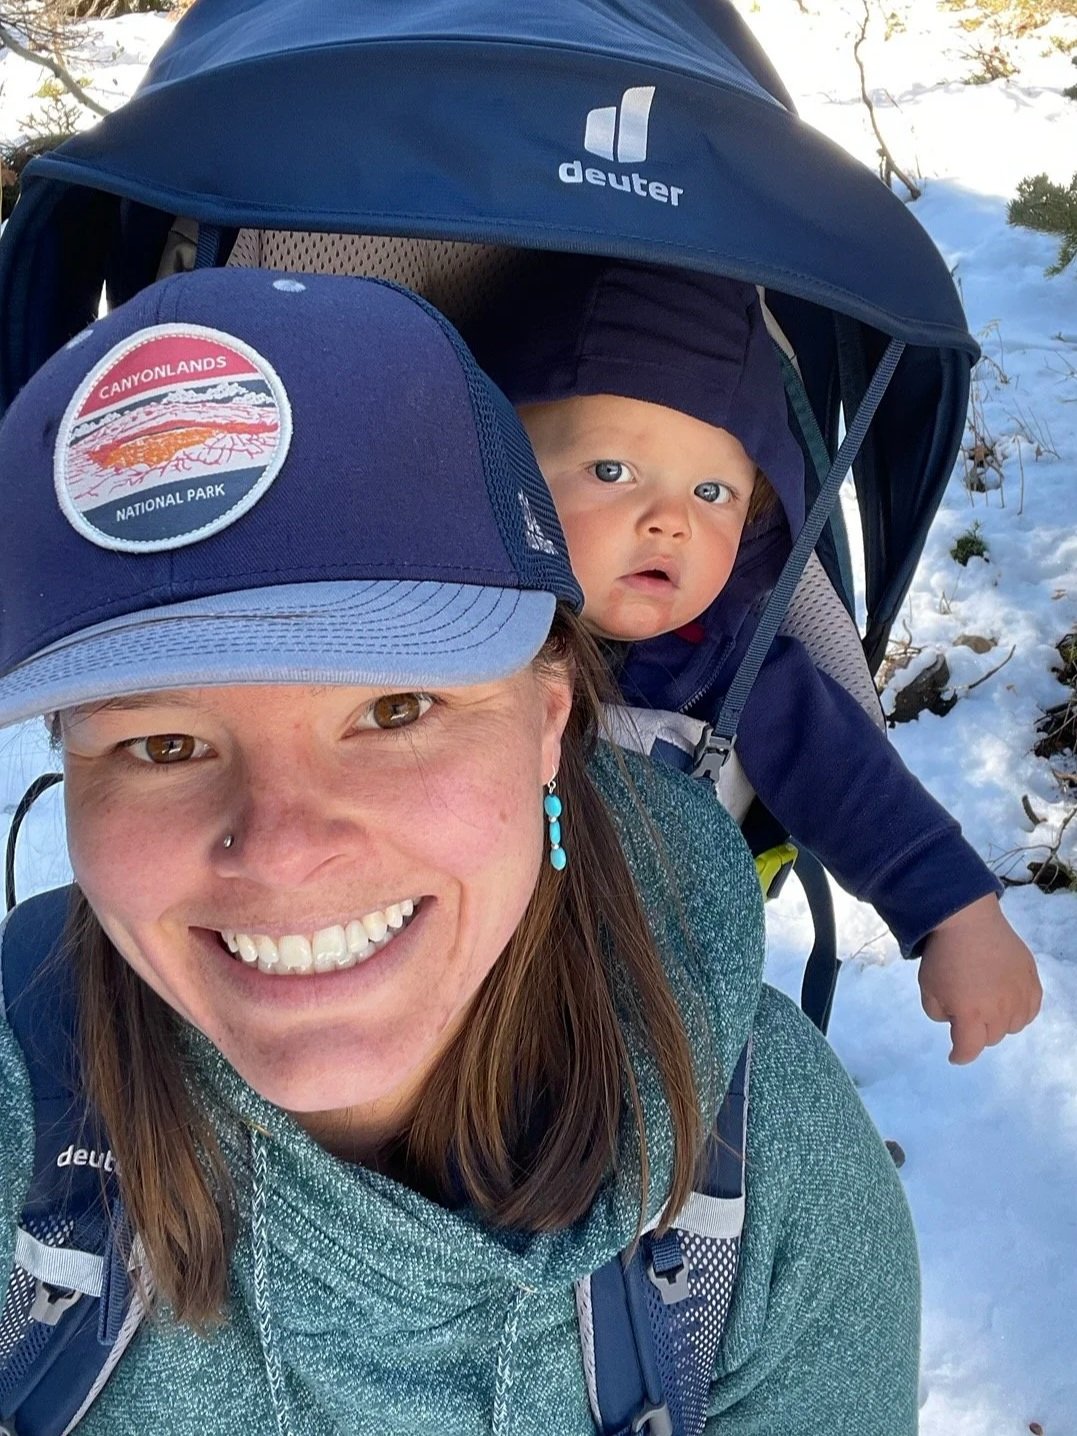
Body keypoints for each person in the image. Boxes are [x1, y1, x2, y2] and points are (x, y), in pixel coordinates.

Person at [0, 266, 917, 1433]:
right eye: (165, 739)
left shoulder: (771, 1173)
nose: (283, 852)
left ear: (548, 724)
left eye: (393, 710)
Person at [476, 256, 1042, 1066]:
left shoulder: (728, 664)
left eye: (713, 494)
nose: (669, 522)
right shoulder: (430, 615)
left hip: (634, 1006)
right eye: (612, 471)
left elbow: (849, 782)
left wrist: (959, 913)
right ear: (499, 468)